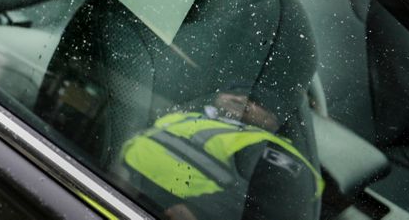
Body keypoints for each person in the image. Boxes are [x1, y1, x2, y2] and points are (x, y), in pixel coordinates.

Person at [120, 87, 323, 220]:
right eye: (236, 91)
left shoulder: (270, 148)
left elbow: (280, 199)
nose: (241, 100)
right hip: (115, 187)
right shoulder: (192, 115)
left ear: (276, 119)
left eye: (256, 101)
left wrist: (198, 212)